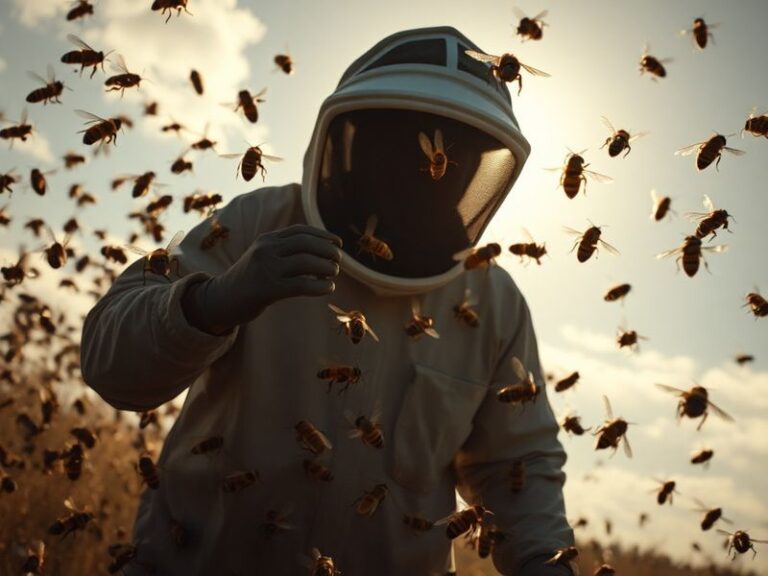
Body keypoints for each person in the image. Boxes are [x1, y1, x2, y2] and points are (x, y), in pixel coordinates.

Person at [82, 26, 574, 576]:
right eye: (397, 144)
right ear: (346, 141)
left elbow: (517, 465)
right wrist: (215, 302)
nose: (421, 175)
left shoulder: (494, 301)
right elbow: (111, 365)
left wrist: (544, 562)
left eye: (449, 159)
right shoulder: (256, 226)